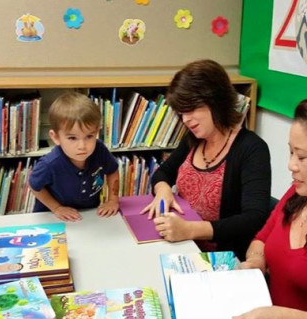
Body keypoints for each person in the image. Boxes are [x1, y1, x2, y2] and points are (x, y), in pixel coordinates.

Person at [141, 59, 271, 260]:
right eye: (182, 113)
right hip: (181, 245)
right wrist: (164, 190)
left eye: (192, 109)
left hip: (219, 257)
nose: (186, 120)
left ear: (216, 101)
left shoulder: (252, 149)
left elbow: (253, 219)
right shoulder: (193, 140)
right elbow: (163, 173)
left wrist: (190, 230)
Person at [233, 100, 307, 319]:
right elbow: (262, 238)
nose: (291, 165)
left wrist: (281, 316)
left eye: (301, 157)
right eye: (290, 152)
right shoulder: (297, 193)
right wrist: (257, 260)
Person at [29, 91, 119, 222]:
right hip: (53, 218)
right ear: (56, 137)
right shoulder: (50, 164)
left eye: (89, 136)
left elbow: (112, 171)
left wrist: (112, 200)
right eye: (72, 138)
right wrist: (57, 208)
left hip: (91, 215)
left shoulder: (99, 149)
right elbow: (34, 186)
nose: (82, 146)